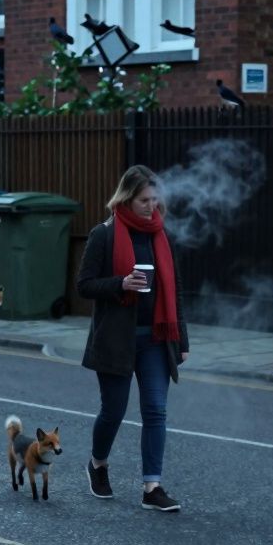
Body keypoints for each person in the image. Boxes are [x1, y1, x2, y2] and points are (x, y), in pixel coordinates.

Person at [76, 165, 189, 512]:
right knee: (114, 410)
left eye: (155, 199)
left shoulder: (160, 235)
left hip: (156, 338)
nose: (151, 206)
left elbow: (176, 291)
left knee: (156, 410)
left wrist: (181, 340)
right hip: (116, 339)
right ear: (127, 197)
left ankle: (151, 486)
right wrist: (120, 284)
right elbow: (84, 285)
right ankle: (97, 464)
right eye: (144, 200)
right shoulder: (104, 235)